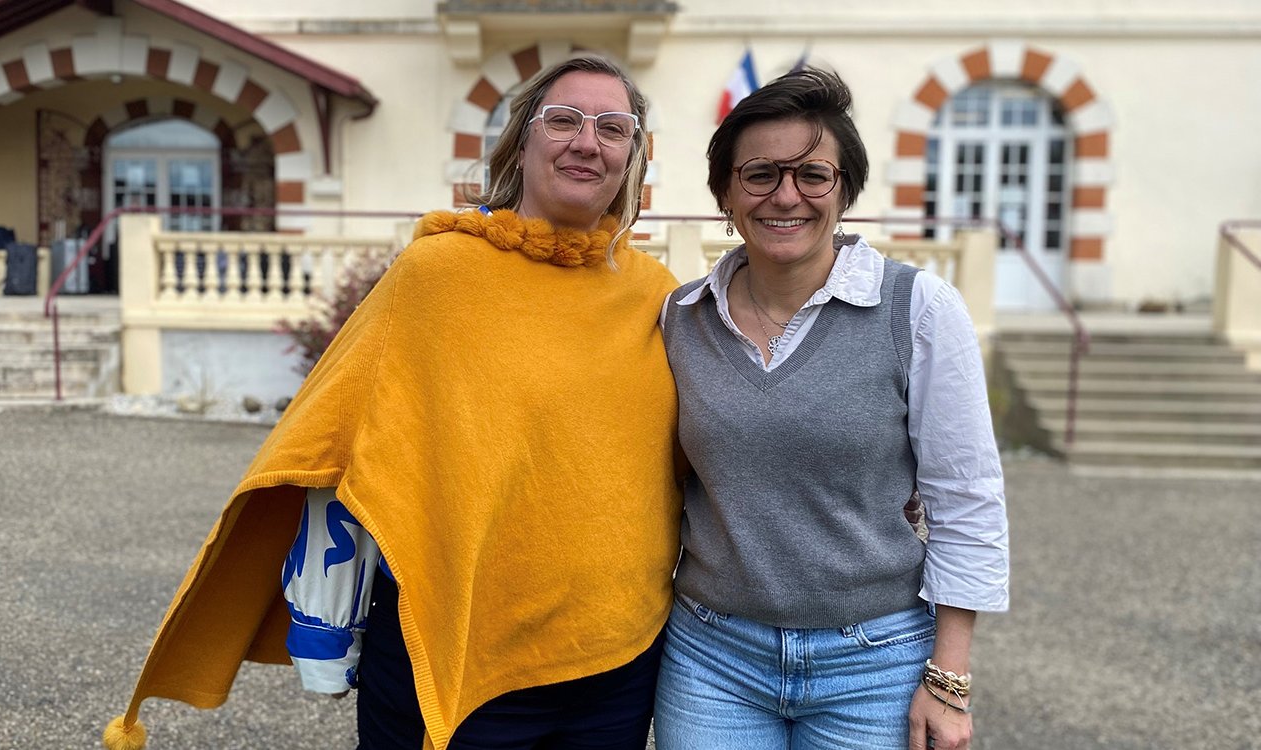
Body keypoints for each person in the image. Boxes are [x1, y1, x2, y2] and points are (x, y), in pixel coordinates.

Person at [104, 55, 684, 750]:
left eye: (612, 128)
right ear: (521, 143)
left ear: (633, 157)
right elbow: (325, 434)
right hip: (448, 654)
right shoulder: (435, 276)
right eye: (562, 120)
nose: (586, 142)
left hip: (616, 667)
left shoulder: (654, 293)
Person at [651, 68, 1009, 750]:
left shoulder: (918, 309)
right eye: (759, 174)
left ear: (844, 191)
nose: (786, 195)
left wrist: (949, 680)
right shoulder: (681, 317)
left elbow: (967, 498)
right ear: (725, 192)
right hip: (711, 658)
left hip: (874, 661)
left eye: (813, 174)